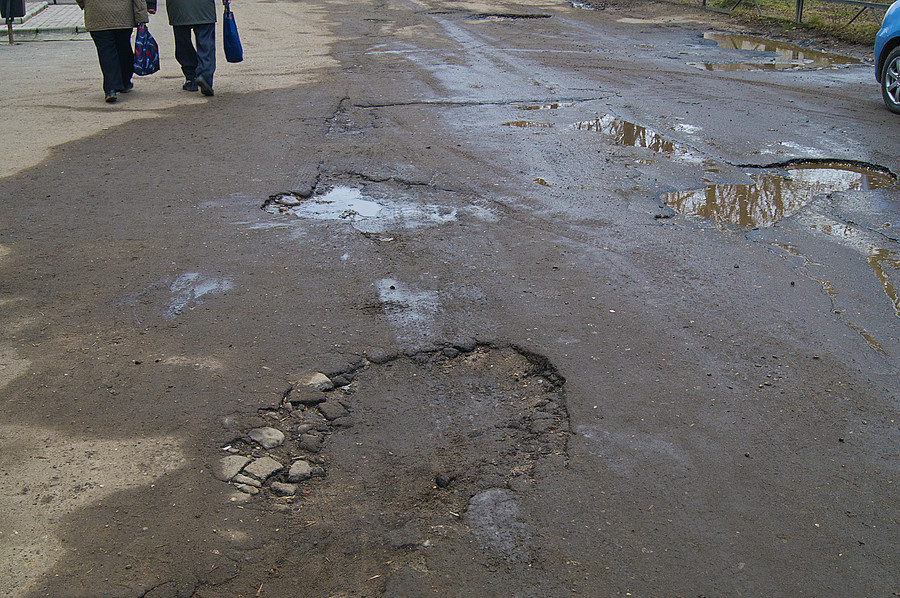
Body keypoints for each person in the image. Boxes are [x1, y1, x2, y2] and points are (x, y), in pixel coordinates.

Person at [77, 0, 156, 103]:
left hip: (96, 14)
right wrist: (141, 16)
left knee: (105, 51)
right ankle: (125, 82)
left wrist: (84, 4)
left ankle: (110, 89)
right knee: (124, 48)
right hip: (123, 16)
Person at [166, 0, 217, 96]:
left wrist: (151, 4)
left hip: (178, 7)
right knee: (206, 44)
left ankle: (191, 78)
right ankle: (205, 76)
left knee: (183, 43)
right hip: (204, 7)